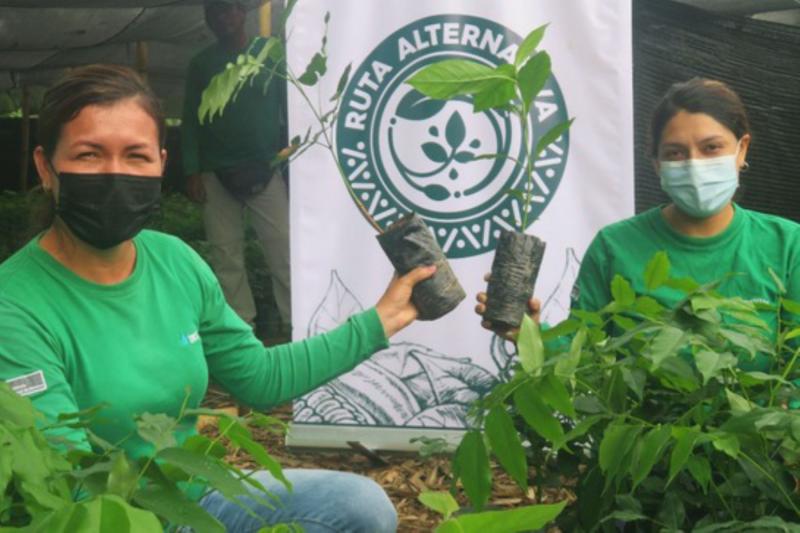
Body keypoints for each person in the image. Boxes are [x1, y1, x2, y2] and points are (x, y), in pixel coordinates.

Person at [0, 64, 435, 532]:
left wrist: (382, 319)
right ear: (46, 167)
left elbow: (259, 378)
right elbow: (66, 484)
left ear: (161, 164)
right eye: (89, 154)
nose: (114, 173)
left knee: (357, 505)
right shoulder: (15, 304)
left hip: (191, 500)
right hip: (106, 518)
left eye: (136, 156)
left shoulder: (174, 261)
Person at [477, 78, 800, 354]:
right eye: (675, 153)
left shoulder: (787, 246)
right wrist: (529, 334)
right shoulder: (615, 247)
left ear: (742, 149)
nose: (694, 164)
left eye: (711, 148)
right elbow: (584, 359)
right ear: (656, 163)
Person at [181, 0, 291, 329]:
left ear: (243, 13)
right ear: (207, 20)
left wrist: (290, 156)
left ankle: (297, 323)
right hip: (216, 172)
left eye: (230, 10)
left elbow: (290, 107)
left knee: (283, 250)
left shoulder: (269, 55)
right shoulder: (201, 63)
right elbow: (190, 120)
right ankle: (242, 329)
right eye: (215, 13)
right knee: (225, 255)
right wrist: (192, 170)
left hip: (266, 167)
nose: (224, 18)